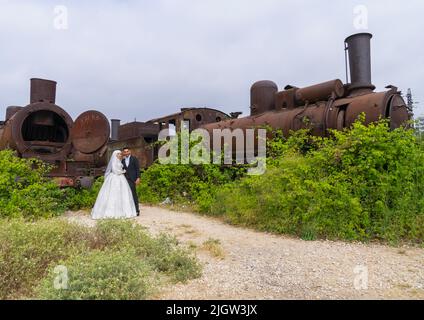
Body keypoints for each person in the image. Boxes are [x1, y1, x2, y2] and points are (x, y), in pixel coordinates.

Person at [91, 150, 137, 220]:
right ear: (115, 155)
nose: (120, 155)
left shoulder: (119, 161)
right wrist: (123, 171)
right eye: (118, 154)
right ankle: (110, 212)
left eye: (119, 154)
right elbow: (115, 170)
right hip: (115, 177)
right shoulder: (113, 161)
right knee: (112, 194)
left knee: (123, 194)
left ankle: (122, 211)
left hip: (121, 178)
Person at [121, 147, 141, 216]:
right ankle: (128, 210)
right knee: (126, 195)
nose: (126, 153)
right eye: (125, 152)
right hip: (124, 179)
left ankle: (137, 210)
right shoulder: (122, 160)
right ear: (123, 153)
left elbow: (137, 169)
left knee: (133, 194)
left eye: (127, 151)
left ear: (130, 151)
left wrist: (138, 178)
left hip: (132, 179)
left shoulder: (134, 159)